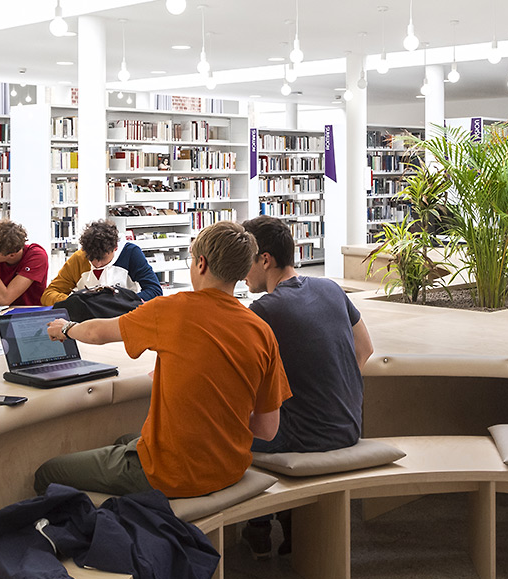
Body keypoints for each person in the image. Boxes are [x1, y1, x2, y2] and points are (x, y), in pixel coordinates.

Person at [32, 221, 291, 501]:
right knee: (125, 441)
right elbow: (267, 429)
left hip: (169, 474)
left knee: (47, 473)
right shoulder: (261, 330)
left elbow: (97, 333)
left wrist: (66, 328)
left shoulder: (171, 310)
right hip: (231, 468)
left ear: (201, 264)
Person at [239, 215, 375, 557]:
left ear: (265, 259)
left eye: (245, 261)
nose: (241, 272)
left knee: (231, 430)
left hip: (308, 436)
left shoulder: (263, 310)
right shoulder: (330, 288)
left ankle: (257, 525)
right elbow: (365, 349)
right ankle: (286, 520)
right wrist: (332, 383)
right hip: (350, 426)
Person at [40, 219, 163, 307]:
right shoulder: (79, 258)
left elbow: (155, 291)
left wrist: (122, 302)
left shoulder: (131, 253)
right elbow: (48, 294)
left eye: (102, 258)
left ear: (115, 248)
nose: (97, 264)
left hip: (122, 317)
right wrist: (77, 301)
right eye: (91, 258)